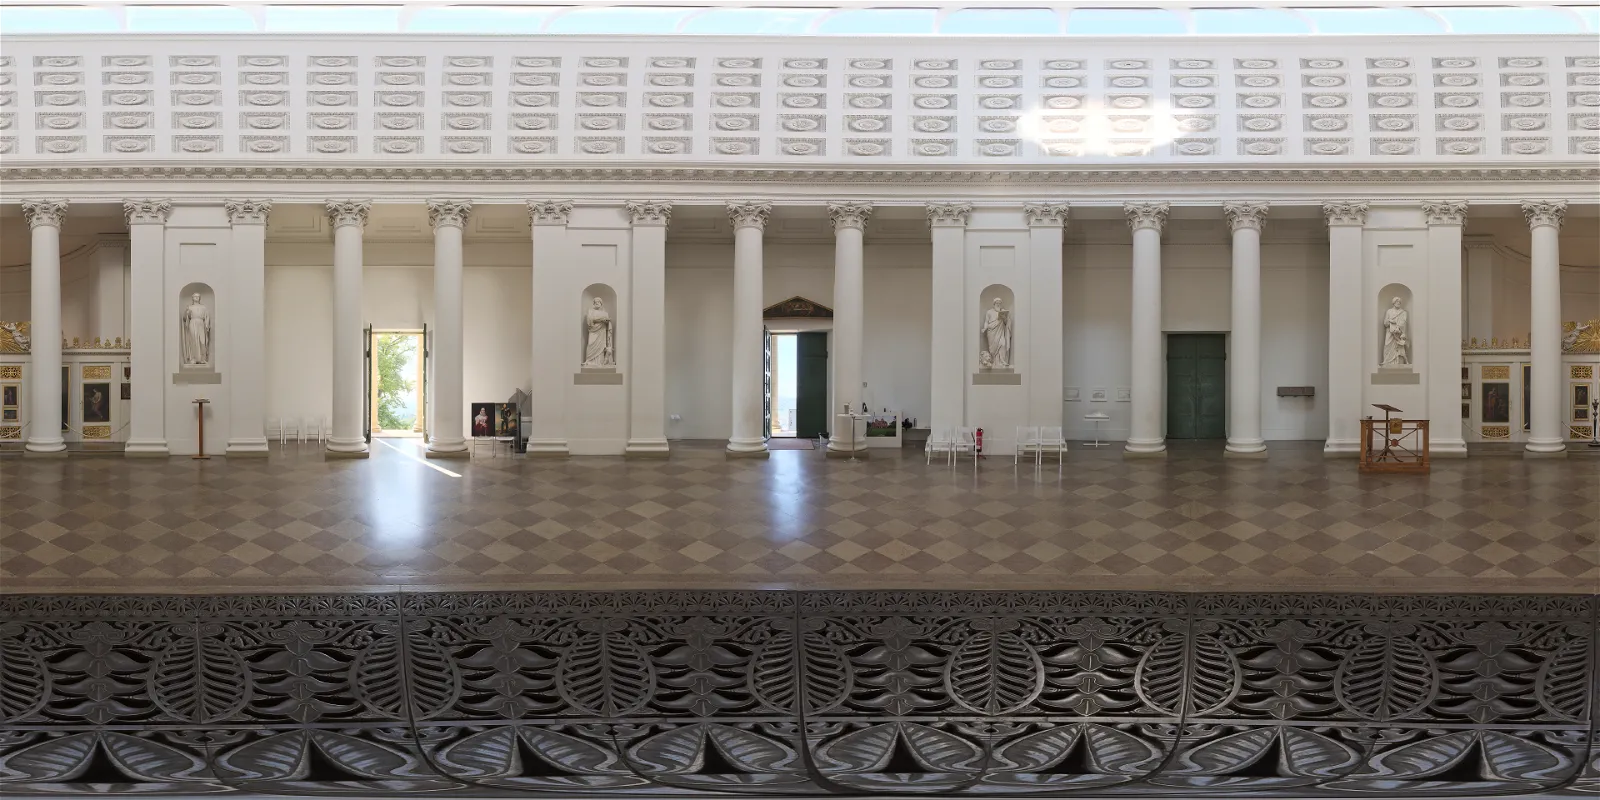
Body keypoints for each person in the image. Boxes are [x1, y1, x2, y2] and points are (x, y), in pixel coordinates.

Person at [181, 293, 212, 366]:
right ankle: (193, 358)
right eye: (195, 296)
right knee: (193, 340)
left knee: (202, 341)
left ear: (200, 298)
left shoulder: (203, 307)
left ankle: (202, 358)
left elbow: (207, 316)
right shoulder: (190, 307)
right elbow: (185, 318)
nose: (196, 297)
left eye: (198, 296)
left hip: (201, 323)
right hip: (193, 322)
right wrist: (187, 312)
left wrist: (207, 325)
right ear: (192, 298)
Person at [584, 297, 614, 367]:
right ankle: (589, 360)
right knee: (591, 344)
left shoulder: (605, 313)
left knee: (601, 346)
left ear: (601, 303)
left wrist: (607, 321)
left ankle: (600, 362)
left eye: (599, 302)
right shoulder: (590, 311)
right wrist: (600, 320)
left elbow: (607, 323)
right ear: (594, 303)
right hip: (593, 330)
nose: (597, 303)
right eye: (596, 302)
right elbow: (589, 321)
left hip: (602, 331)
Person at [982, 297, 1011, 368]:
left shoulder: (1003, 311)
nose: (998, 304)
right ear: (994, 304)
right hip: (991, 332)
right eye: (997, 303)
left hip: (1000, 332)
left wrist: (1004, 319)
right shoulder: (989, 312)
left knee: (1003, 344)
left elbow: (1007, 323)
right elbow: (986, 321)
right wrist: (984, 328)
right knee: (992, 350)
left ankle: (1002, 362)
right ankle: (994, 362)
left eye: (999, 303)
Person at [1381, 296, 1408, 367]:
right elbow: (1385, 323)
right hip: (1390, 332)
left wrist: (1398, 327)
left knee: (1399, 346)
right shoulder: (1389, 311)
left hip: (1398, 332)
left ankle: (1399, 362)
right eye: (1397, 301)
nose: (1398, 303)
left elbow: (1404, 322)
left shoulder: (1403, 312)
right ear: (1393, 303)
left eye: (1399, 302)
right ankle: (1387, 361)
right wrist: (1390, 322)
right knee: (1387, 344)